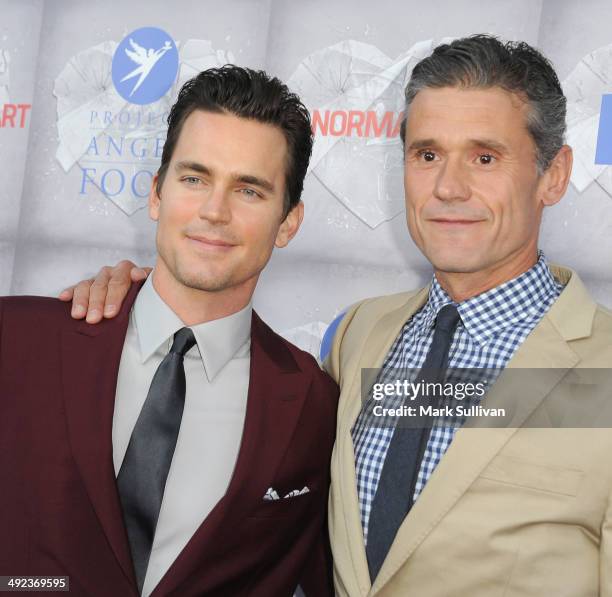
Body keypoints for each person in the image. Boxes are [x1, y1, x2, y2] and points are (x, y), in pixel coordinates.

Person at [61, 36, 612, 596]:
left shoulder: (604, 368)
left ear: (554, 174)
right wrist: (128, 308)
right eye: (427, 155)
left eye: (485, 157)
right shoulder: (361, 338)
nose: (448, 187)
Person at [0, 65, 338, 597]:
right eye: (194, 178)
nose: (214, 211)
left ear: (289, 222)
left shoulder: (314, 403)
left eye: (249, 190)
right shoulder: (17, 340)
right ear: (157, 194)